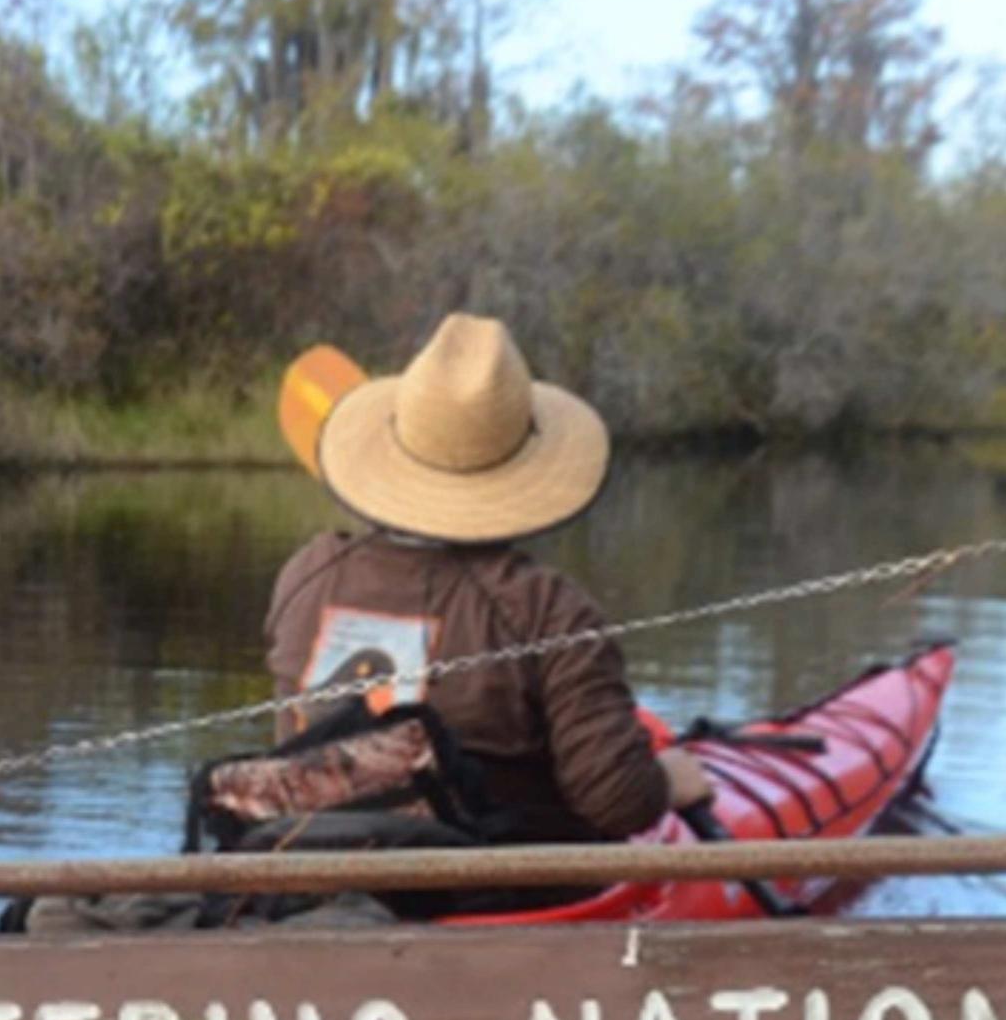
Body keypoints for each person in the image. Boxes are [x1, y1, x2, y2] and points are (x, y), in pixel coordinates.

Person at [265, 313, 714, 844]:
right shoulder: (546, 607)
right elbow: (617, 802)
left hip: (316, 865)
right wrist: (668, 781)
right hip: (490, 893)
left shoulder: (307, 570)